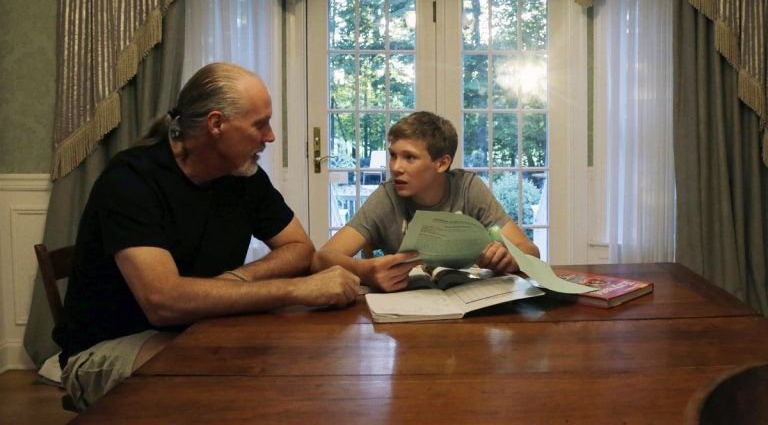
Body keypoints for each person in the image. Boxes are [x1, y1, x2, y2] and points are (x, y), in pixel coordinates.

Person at [52, 62, 360, 410]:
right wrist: (296, 288)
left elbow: (299, 248)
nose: (270, 136)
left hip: (196, 328)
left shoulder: (243, 175)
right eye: (260, 124)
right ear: (216, 124)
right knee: (228, 382)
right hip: (106, 348)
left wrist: (235, 280)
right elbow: (164, 303)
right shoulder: (131, 180)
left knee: (287, 362)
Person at [311, 111, 539, 292]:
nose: (395, 167)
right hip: (409, 315)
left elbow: (530, 250)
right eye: (393, 155)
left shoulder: (468, 188)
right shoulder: (387, 196)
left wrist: (511, 259)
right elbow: (321, 259)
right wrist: (362, 270)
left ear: (442, 164)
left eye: (409, 157)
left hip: (471, 307)